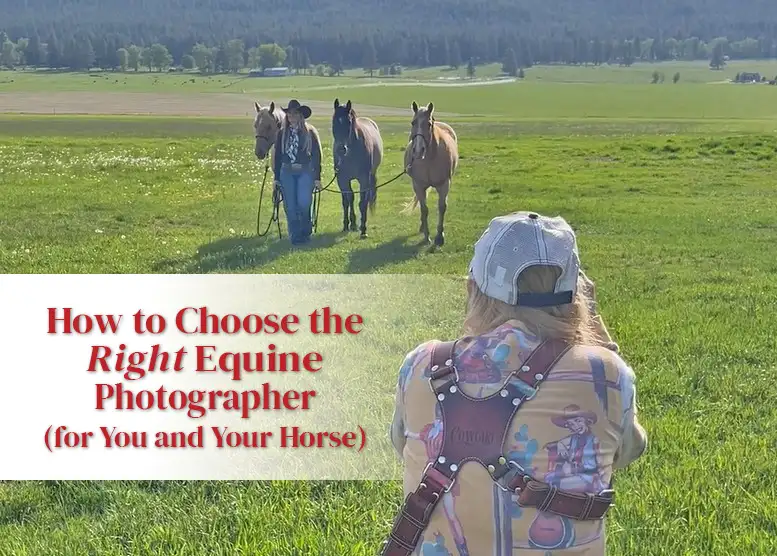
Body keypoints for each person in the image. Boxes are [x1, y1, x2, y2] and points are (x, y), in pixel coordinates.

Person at [388, 211, 647, 556]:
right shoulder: (606, 375)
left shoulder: (422, 365)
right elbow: (629, 449)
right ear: (579, 297)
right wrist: (601, 343)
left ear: (472, 289)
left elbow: (400, 443)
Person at [272, 99, 323, 245]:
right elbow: (278, 157)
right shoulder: (282, 134)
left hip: (305, 171)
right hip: (286, 172)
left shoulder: (309, 133)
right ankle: (295, 236)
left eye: (294, 114)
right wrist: (276, 178)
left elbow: (316, 156)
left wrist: (317, 177)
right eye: (289, 114)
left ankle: (306, 231)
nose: (291, 117)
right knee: (290, 205)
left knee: (304, 202)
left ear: (300, 116)